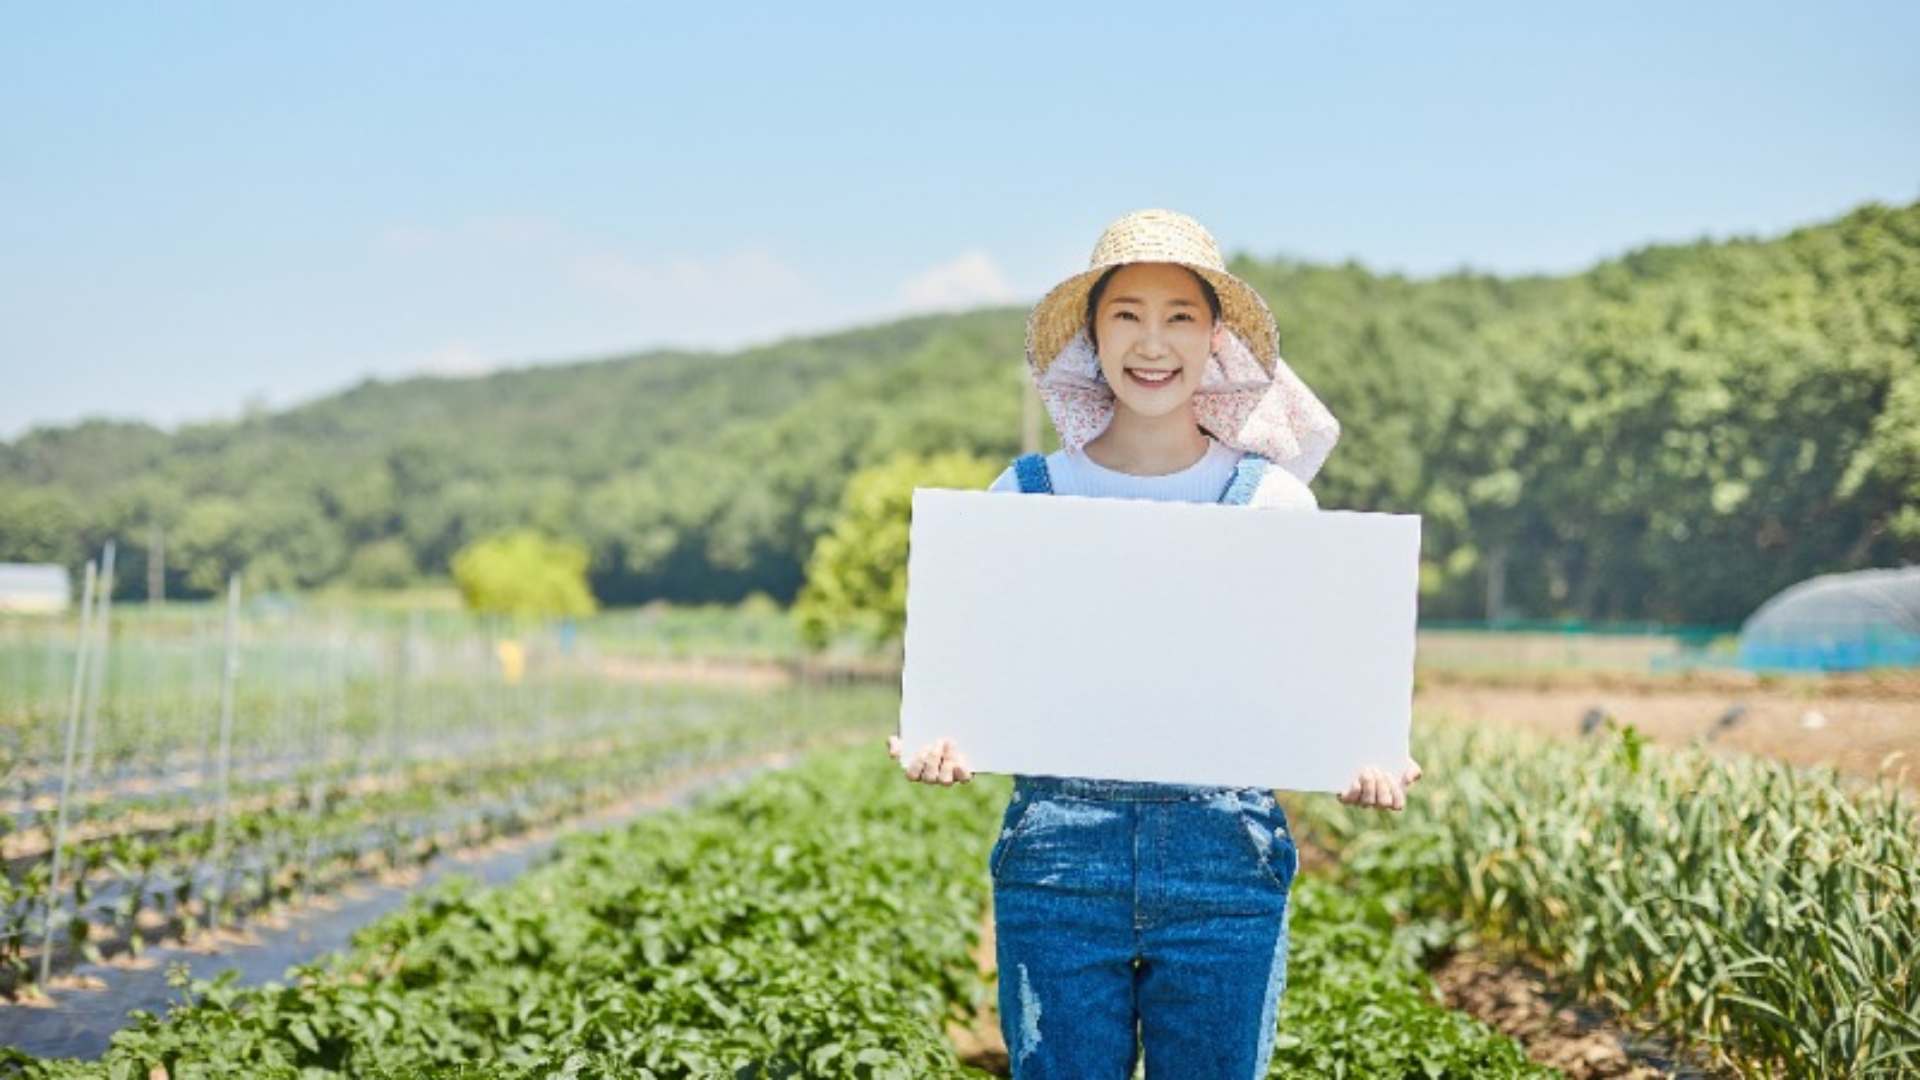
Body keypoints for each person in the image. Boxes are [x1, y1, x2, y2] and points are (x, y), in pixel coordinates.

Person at [885, 208, 1423, 1077]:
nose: (1152, 341)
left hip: (1226, 858)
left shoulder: (1273, 505)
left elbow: (1320, 681)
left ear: (1216, 340)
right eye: (1126, 314)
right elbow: (976, 670)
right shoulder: (1023, 497)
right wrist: (942, 735)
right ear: (1092, 339)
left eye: (1180, 316)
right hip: (1059, 855)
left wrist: (1363, 756)